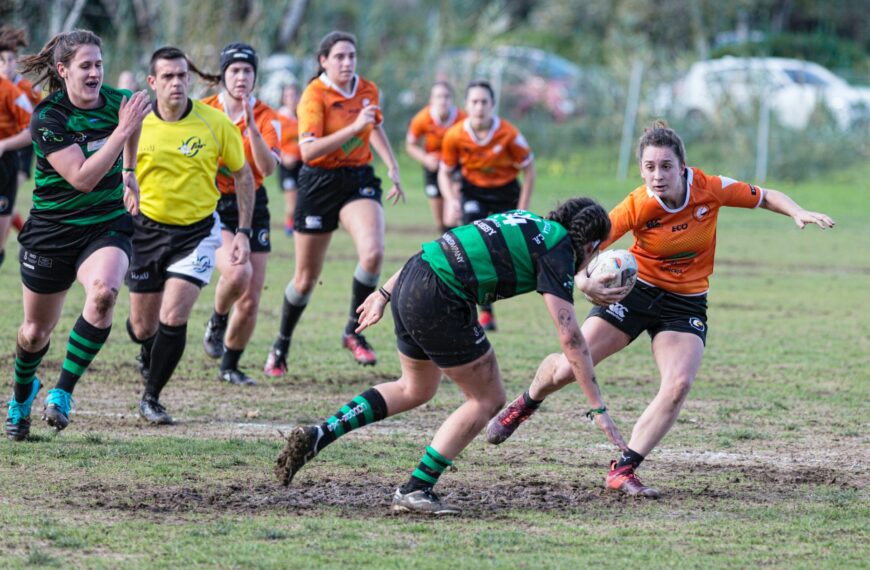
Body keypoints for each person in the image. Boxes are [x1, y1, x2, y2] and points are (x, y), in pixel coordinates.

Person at [486, 120, 836, 498]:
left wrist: (797, 211)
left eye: (666, 166)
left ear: (682, 167)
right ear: (641, 170)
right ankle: (527, 401)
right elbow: (582, 249)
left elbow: (764, 195)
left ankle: (623, 469)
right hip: (631, 293)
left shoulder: (710, 188)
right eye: (649, 167)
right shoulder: (637, 205)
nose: (657, 175)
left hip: (685, 302)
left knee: (678, 385)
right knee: (568, 369)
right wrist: (585, 283)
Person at [275, 199, 627, 515]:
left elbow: (443, 245)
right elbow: (570, 336)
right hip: (440, 296)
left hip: (414, 276)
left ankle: (322, 433)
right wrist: (598, 409)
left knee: (415, 388)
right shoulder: (559, 248)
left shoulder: (522, 220)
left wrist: (384, 292)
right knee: (488, 398)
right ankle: (416, 488)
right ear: (592, 245)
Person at [4, 29, 151, 440]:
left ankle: (62, 393)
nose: (94, 73)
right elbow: (82, 178)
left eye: (99, 65)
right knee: (34, 334)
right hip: (52, 231)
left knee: (104, 293)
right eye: (85, 66)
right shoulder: (48, 118)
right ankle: (20, 397)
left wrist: (130, 171)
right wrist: (121, 133)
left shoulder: (118, 104)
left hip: (105, 224)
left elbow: (133, 123)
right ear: (63, 69)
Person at [264, 31, 404, 375]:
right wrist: (355, 127)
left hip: (357, 179)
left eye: (351, 56)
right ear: (323, 61)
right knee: (306, 278)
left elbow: (375, 128)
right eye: (339, 56)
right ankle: (281, 343)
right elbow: (309, 150)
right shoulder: (314, 95)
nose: (347, 62)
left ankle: (352, 332)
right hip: (319, 183)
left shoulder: (367, 89)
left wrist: (392, 165)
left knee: (373, 253)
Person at [125, 47, 253, 424]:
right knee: (142, 327)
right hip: (145, 231)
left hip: (197, 233)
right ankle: (148, 351)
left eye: (182, 75)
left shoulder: (214, 123)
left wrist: (243, 231)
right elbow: (122, 160)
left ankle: (152, 398)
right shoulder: (138, 123)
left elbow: (243, 174)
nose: (177, 82)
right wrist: (125, 178)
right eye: (167, 76)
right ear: (153, 82)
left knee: (174, 315)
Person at [200, 42, 279, 386]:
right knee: (236, 272)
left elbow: (268, 168)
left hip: (252, 204)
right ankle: (217, 320)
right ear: (223, 75)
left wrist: (253, 129)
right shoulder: (202, 111)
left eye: (248, 71)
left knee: (250, 301)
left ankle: (229, 365)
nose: (242, 76)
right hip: (212, 204)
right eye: (235, 70)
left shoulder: (266, 115)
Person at [438, 79, 535, 332]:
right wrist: (450, 199)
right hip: (474, 193)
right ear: (467, 105)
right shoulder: (455, 135)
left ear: (492, 105)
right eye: (474, 102)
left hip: (506, 193)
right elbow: (444, 172)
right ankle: (484, 313)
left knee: (505, 251)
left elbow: (529, 169)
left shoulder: (509, 134)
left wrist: (522, 208)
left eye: (484, 102)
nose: (479, 107)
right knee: (475, 247)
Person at [405, 81, 466, 234]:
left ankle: (456, 249)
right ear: (431, 100)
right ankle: (447, 245)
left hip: (454, 167)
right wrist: (425, 158)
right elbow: (410, 144)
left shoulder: (462, 118)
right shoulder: (422, 118)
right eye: (439, 96)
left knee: (451, 216)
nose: (443, 100)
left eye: (446, 96)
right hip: (433, 168)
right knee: (440, 223)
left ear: (451, 99)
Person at [0, 26, 39, 251]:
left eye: (11, 60)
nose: (7, 65)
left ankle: (22, 236)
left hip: (21, 148)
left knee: (9, 196)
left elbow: (40, 115)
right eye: (3, 60)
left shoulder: (25, 89)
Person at [276, 82, 302, 236]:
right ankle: (289, 226)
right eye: (288, 96)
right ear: (283, 98)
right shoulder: (279, 117)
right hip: (288, 167)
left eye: (294, 95)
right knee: (292, 204)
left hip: (303, 163)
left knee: (302, 200)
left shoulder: (304, 116)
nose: (291, 98)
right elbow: (272, 142)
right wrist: (283, 156)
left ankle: (299, 226)